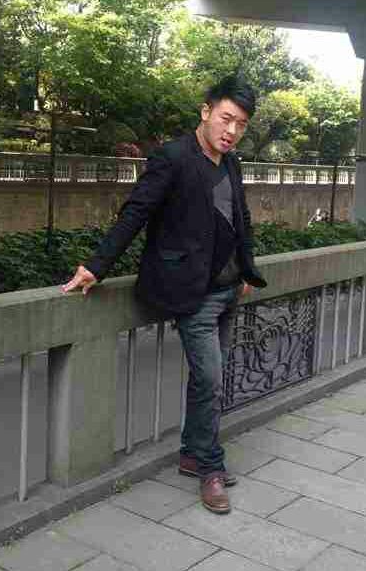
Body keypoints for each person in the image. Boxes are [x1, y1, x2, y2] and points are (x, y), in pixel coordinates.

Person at [62, 75, 267, 514]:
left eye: (241, 124)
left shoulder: (231, 164)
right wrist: (96, 266)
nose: (232, 131)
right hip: (193, 293)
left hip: (229, 289)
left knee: (207, 380)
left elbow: (241, 218)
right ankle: (210, 467)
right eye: (226, 118)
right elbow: (135, 213)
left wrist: (247, 268)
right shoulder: (172, 157)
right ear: (206, 111)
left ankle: (192, 453)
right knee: (212, 380)